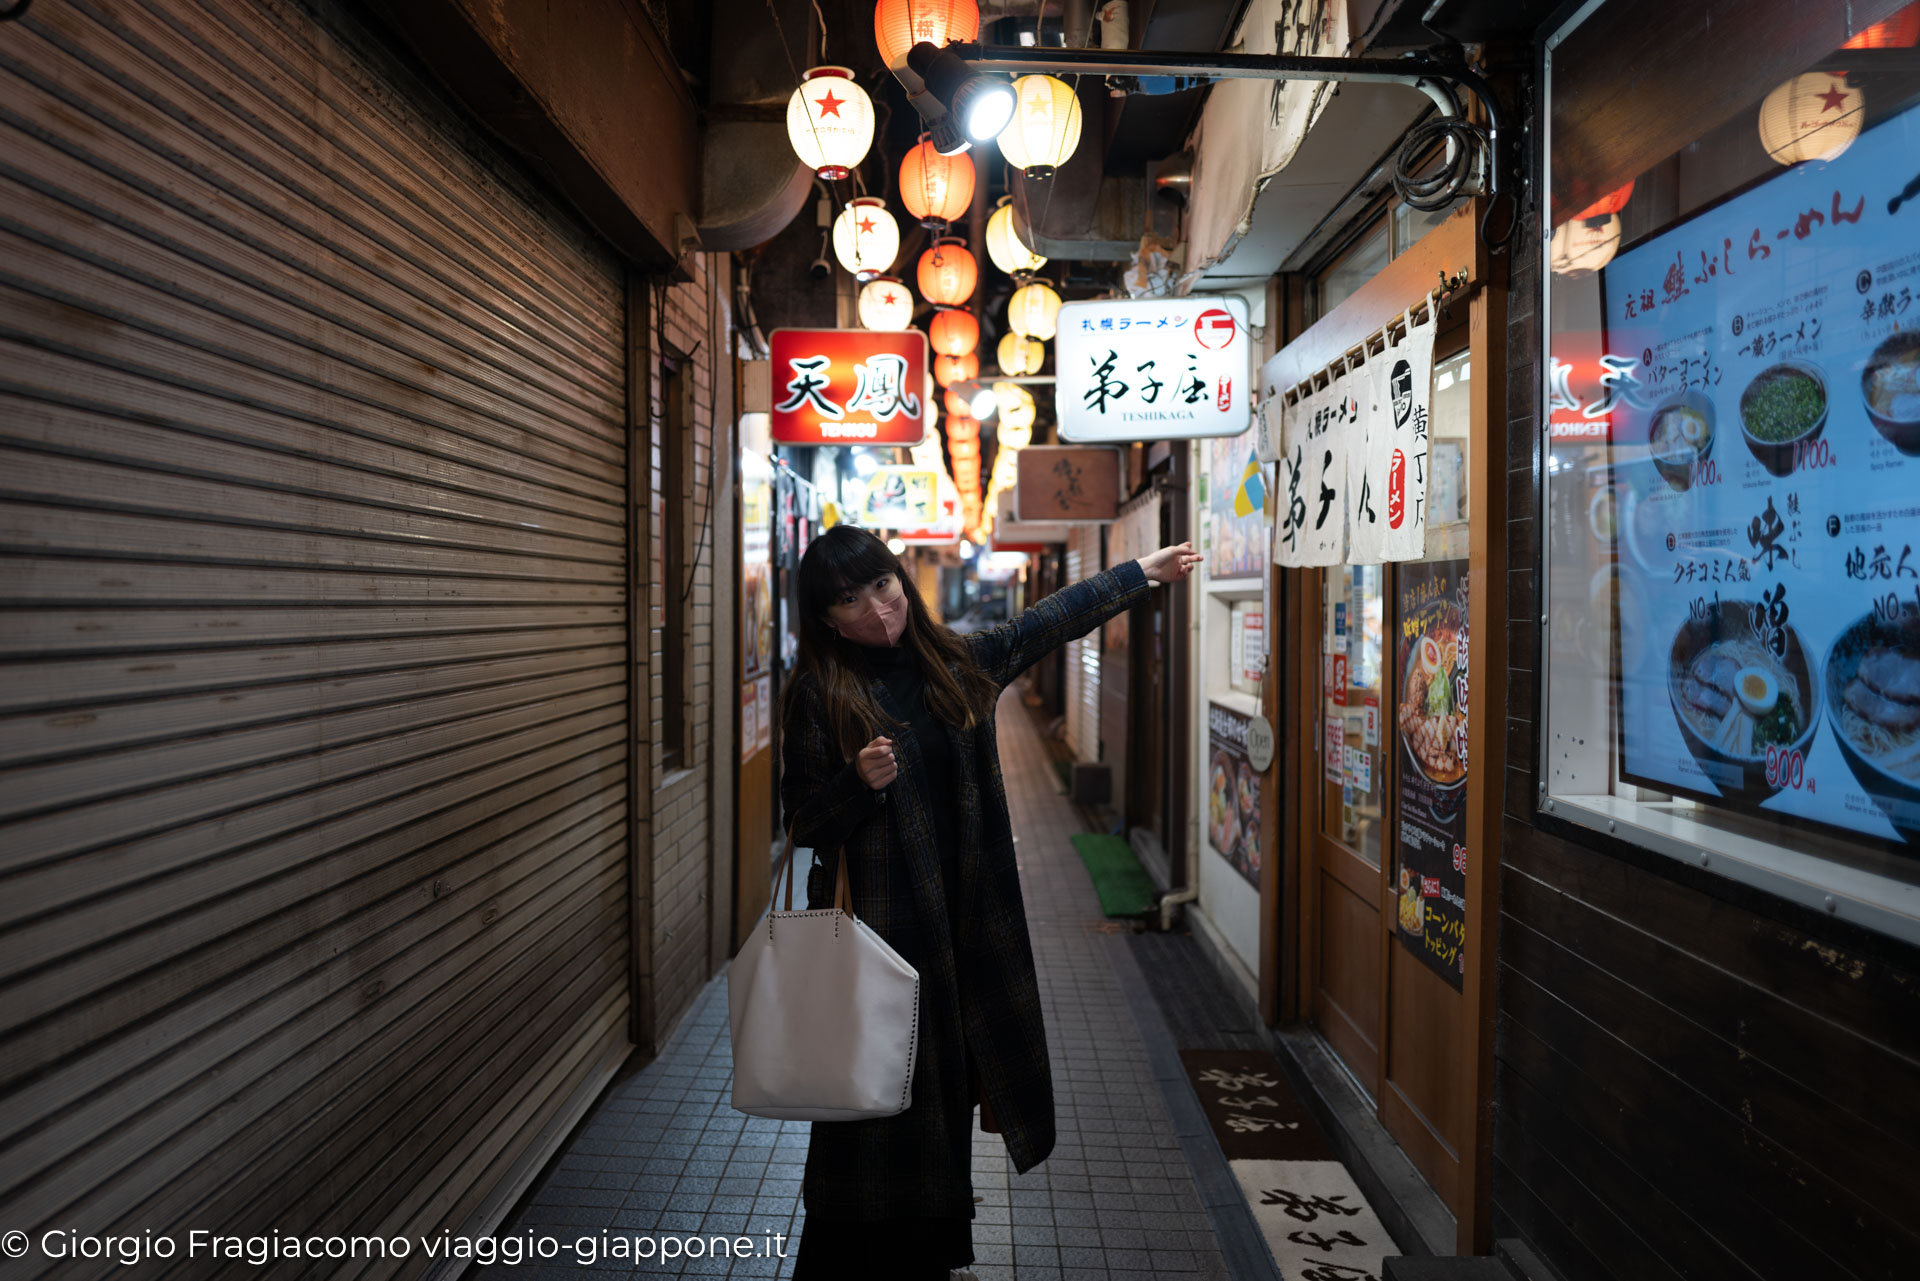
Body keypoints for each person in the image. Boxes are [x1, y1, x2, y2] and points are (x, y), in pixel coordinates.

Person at [778, 525, 1202, 1280]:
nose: (875, 609)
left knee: (938, 1102)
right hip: (876, 937)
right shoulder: (818, 693)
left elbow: (1048, 619)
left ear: (900, 579)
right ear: (825, 618)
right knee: (867, 1110)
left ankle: (931, 1258)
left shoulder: (957, 665)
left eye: (880, 584)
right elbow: (802, 819)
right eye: (848, 599)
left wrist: (1142, 572)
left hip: (962, 930)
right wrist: (856, 783)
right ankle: (846, 1261)